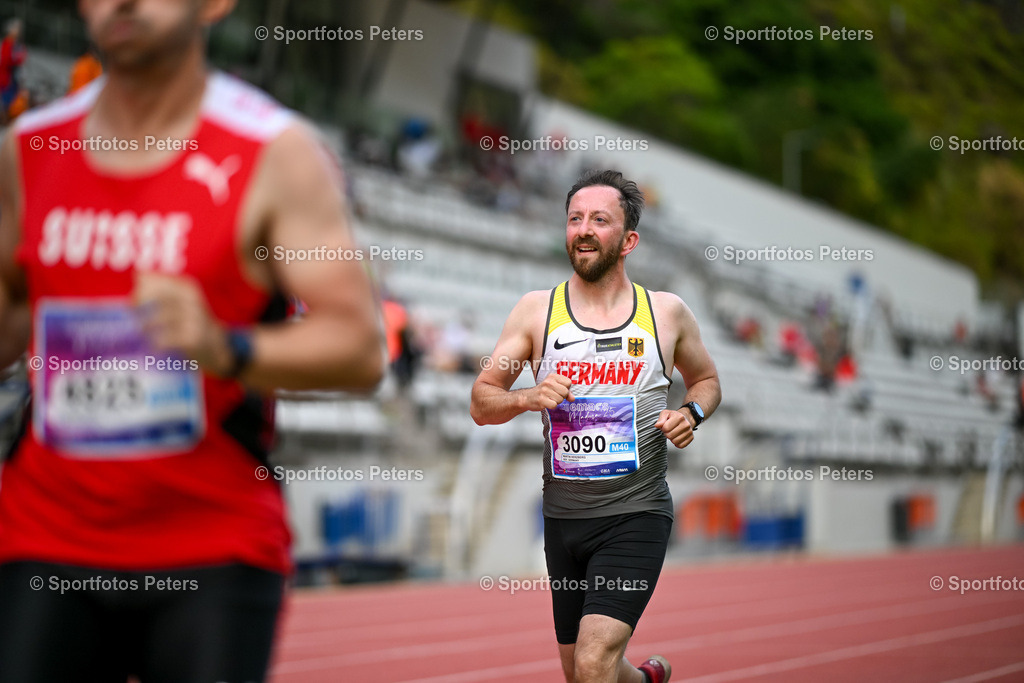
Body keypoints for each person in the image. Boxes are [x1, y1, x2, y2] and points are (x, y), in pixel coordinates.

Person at [0, 1, 384, 681]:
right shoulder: (29, 148)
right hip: (44, 534)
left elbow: (360, 349)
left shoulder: (274, 152)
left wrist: (226, 347)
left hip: (210, 544)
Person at [471, 169, 722, 683]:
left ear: (629, 240)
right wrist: (526, 396)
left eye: (599, 220)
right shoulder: (536, 311)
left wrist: (690, 413)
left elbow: (707, 381)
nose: (583, 229)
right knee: (583, 672)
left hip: (636, 514)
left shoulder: (666, 314)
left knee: (592, 661)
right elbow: (481, 401)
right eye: (575, 219)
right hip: (563, 521)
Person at [0, 18, 25, 122]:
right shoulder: (7, 43)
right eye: (16, 29)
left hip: (14, 77)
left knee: (13, 102)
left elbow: (22, 58)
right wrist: (16, 59)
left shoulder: (18, 45)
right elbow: (7, 59)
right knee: (6, 102)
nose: (18, 31)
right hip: (7, 77)